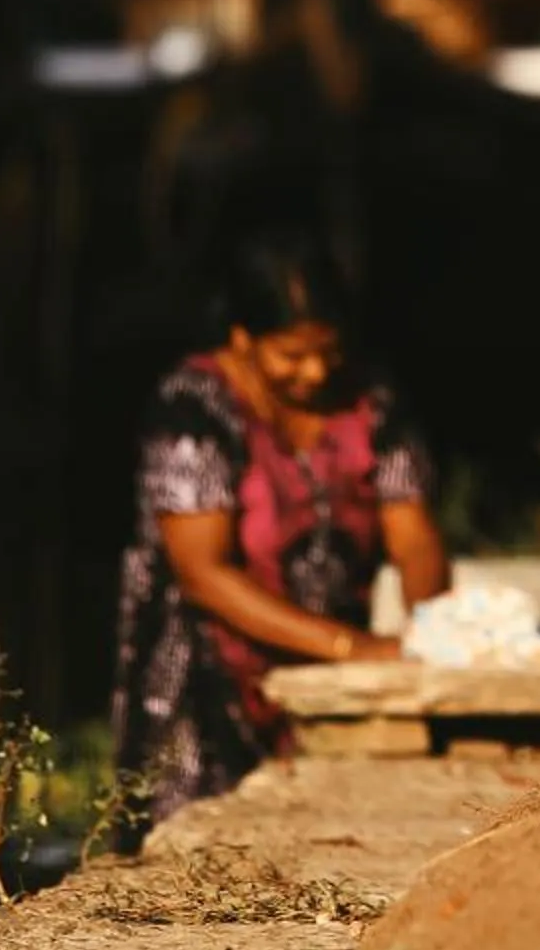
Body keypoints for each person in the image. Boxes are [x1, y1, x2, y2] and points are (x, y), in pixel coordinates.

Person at [108, 235, 450, 822]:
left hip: (326, 678)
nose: (315, 372)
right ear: (243, 338)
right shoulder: (193, 409)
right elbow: (203, 574)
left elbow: (413, 534)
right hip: (206, 682)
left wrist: (436, 635)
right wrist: (353, 649)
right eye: (292, 356)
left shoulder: (370, 401)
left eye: (328, 352)